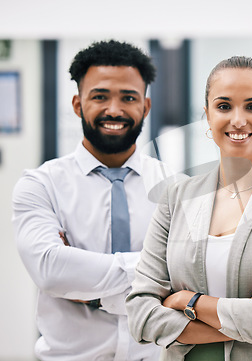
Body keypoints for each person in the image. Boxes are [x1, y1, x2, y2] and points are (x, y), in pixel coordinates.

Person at [126, 56, 252, 361]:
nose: (238, 119)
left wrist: (188, 300)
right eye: (224, 106)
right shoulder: (176, 198)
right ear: (207, 115)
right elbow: (140, 314)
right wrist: (246, 319)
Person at [12, 40, 169, 360]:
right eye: (100, 97)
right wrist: (154, 269)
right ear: (77, 104)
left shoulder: (175, 186)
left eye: (128, 97)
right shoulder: (41, 185)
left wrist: (88, 286)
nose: (114, 110)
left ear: (145, 107)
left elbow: (191, 275)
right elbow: (51, 270)